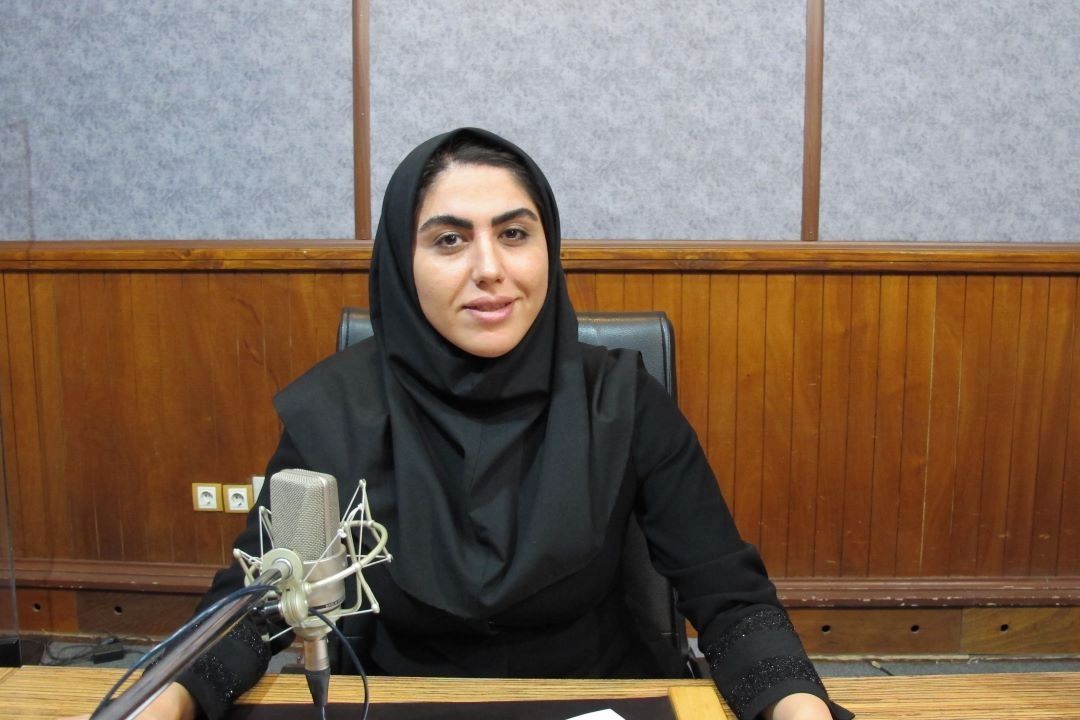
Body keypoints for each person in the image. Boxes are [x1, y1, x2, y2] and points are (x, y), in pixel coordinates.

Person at [114, 128, 851, 720]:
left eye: (515, 234)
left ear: (548, 248)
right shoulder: (336, 414)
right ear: (401, 263)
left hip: (596, 701)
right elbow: (257, 604)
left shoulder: (622, 401)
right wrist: (169, 699)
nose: (490, 268)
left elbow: (730, 599)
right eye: (449, 240)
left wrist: (796, 707)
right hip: (400, 704)